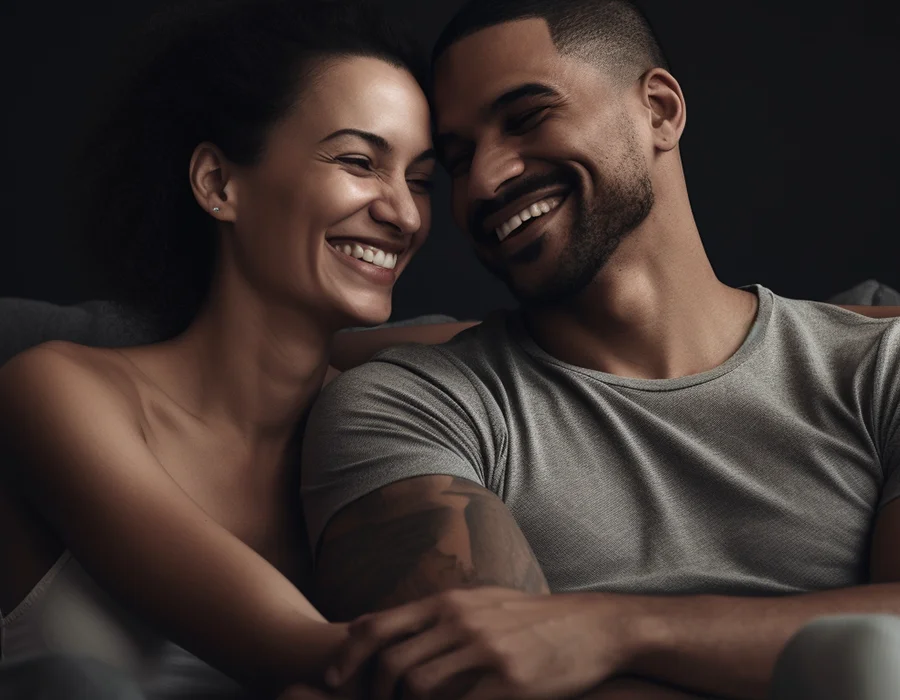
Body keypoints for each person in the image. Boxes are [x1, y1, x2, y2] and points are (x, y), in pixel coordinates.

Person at [299, 1, 900, 698]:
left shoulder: (880, 365)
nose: (486, 181)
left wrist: (616, 630)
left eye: (527, 117)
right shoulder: (410, 406)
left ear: (660, 111)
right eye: (458, 161)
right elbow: (477, 677)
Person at [0, 0, 472, 697]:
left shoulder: (378, 412)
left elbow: (529, 346)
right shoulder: (56, 391)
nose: (404, 213)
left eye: (421, 181)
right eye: (358, 161)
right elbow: (306, 652)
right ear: (219, 184)